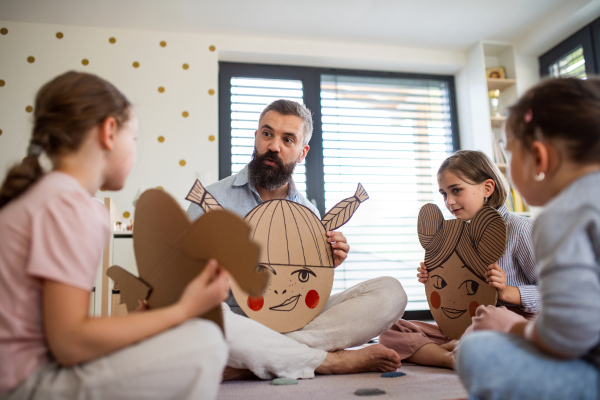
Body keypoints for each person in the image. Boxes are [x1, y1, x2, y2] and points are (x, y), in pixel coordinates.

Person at [0, 71, 230, 400]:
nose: (135, 150)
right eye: (133, 138)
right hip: (25, 385)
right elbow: (69, 343)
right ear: (109, 132)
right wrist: (184, 310)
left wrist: (137, 323)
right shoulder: (73, 206)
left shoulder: (47, 196)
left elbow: (58, 329)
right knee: (206, 341)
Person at [187, 99, 407, 380]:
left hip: (292, 319)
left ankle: (254, 360)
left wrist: (327, 264)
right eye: (267, 134)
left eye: (287, 139)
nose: (274, 146)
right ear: (256, 138)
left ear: (302, 152)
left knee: (391, 292)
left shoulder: (309, 213)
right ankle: (326, 361)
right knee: (200, 315)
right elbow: (186, 281)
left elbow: (306, 294)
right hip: (233, 317)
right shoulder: (211, 199)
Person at [456, 78, 600, 399]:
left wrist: (513, 327)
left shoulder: (561, 214)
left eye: (509, 151)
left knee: (477, 349)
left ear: (538, 158)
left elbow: (568, 335)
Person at [379, 150, 538, 369]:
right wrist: (435, 278)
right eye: (444, 194)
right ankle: (451, 358)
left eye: (456, 190)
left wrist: (508, 292)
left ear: (487, 188)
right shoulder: (453, 234)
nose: (449, 201)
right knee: (391, 330)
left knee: (491, 319)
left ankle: (460, 347)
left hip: (510, 321)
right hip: (466, 321)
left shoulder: (520, 230)